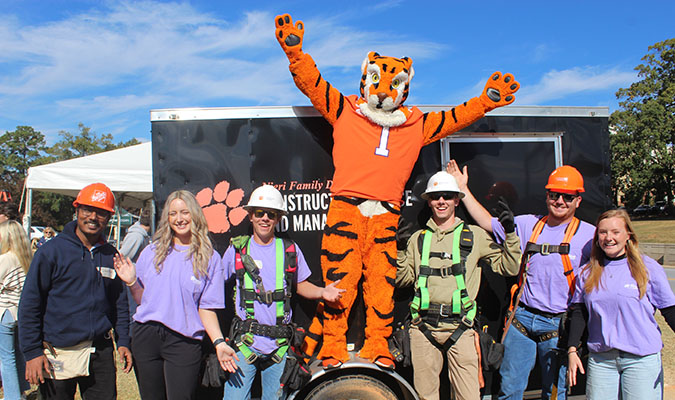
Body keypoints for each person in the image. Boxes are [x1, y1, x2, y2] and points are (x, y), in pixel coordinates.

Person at [447, 161, 595, 400]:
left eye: (567, 197)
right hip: (522, 320)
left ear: (578, 200)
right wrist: (462, 190)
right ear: (547, 196)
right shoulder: (528, 224)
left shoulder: (590, 235)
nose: (559, 201)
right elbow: (486, 222)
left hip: (560, 325)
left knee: (555, 393)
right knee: (509, 390)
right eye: (554, 195)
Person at [396, 171, 521, 400]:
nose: (441, 201)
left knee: (468, 396)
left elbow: (509, 268)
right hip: (422, 327)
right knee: (426, 397)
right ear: (429, 201)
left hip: (461, 327)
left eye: (447, 196)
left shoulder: (474, 236)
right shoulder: (418, 239)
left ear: (456, 200)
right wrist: (402, 250)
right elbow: (402, 279)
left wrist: (510, 234)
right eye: (435, 197)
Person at [221, 185, 345, 400]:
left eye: (271, 214)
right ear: (250, 216)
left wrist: (323, 292)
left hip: (278, 347)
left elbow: (301, 285)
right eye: (259, 213)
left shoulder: (290, 249)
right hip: (245, 343)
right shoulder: (237, 249)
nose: (265, 218)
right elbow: (215, 284)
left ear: (278, 219)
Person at [114, 190, 236, 399]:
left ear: (195, 215)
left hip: (183, 342)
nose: (179, 219)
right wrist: (132, 282)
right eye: (173, 214)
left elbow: (206, 308)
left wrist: (219, 342)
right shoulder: (152, 252)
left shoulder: (210, 258)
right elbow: (144, 301)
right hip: (146, 336)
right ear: (167, 218)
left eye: (184, 212)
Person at [18, 182, 132, 400]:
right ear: (77, 210)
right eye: (88, 210)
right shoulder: (52, 252)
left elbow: (119, 302)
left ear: (108, 218)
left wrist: (124, 340)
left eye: (101, 213)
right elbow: (31, 304)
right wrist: (32, 352)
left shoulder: (110, 255)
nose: (93, 217)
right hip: (57, 350)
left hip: (99, 351)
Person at [566, 209, 675, 399]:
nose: (609, 238)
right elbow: (580, 313)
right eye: (603, 232)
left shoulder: (648, 268)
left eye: (615, 232)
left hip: (640, 360)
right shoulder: (587, 272)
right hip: (601, 360)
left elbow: (670, 311)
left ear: (628, 235)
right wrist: (572, 349)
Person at [0, 220, 32, 399]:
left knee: (6, 358)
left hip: (5, 312)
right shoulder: (26, 258)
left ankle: (12, 395)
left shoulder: (5, 259)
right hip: (20, 312)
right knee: (17, 354)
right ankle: (20, 390)